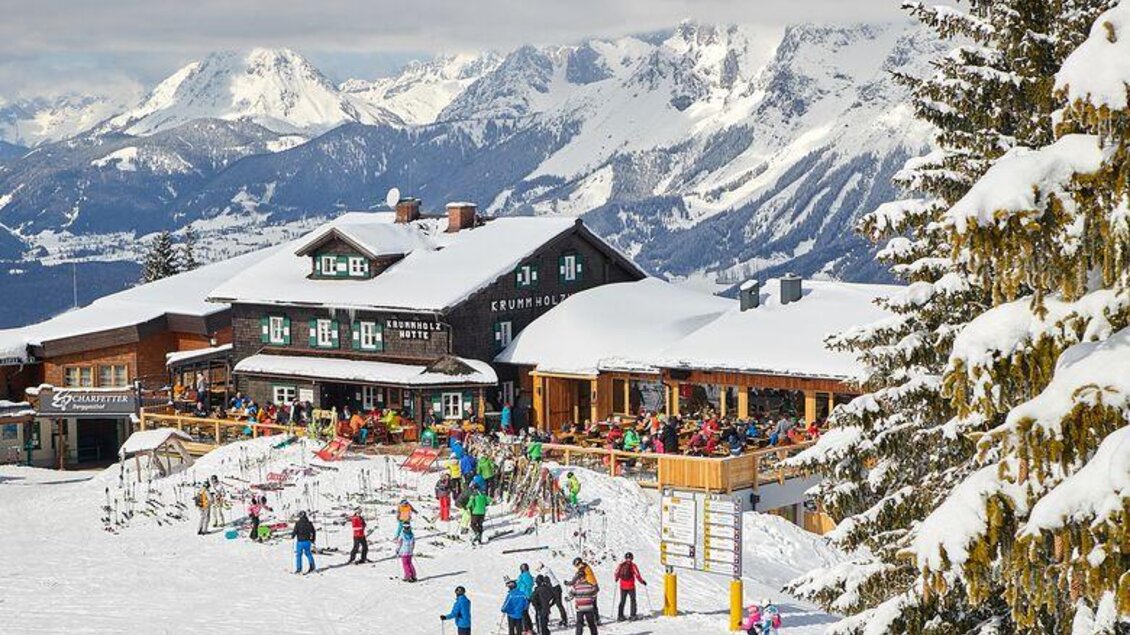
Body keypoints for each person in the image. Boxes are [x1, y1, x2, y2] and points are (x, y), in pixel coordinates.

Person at [614, 552, 647, 621]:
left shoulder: (621, 565)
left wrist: (616, 579)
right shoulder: (633, 565)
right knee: (633, 600)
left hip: (622, 586)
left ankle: (620, 616)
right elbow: (637, 575)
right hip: (631, 586)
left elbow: (616, 573)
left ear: (625, 558)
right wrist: (642, 582)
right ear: (632, 558)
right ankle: (633, 615)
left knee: (622, 601)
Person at [536, 562, 569, 627]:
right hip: (555, 587)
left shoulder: (544, 571)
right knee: (555, 604)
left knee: (556, 604)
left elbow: (543, 580)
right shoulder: (546, 569)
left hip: (554, 588)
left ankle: (563, 619)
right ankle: (563, 619)